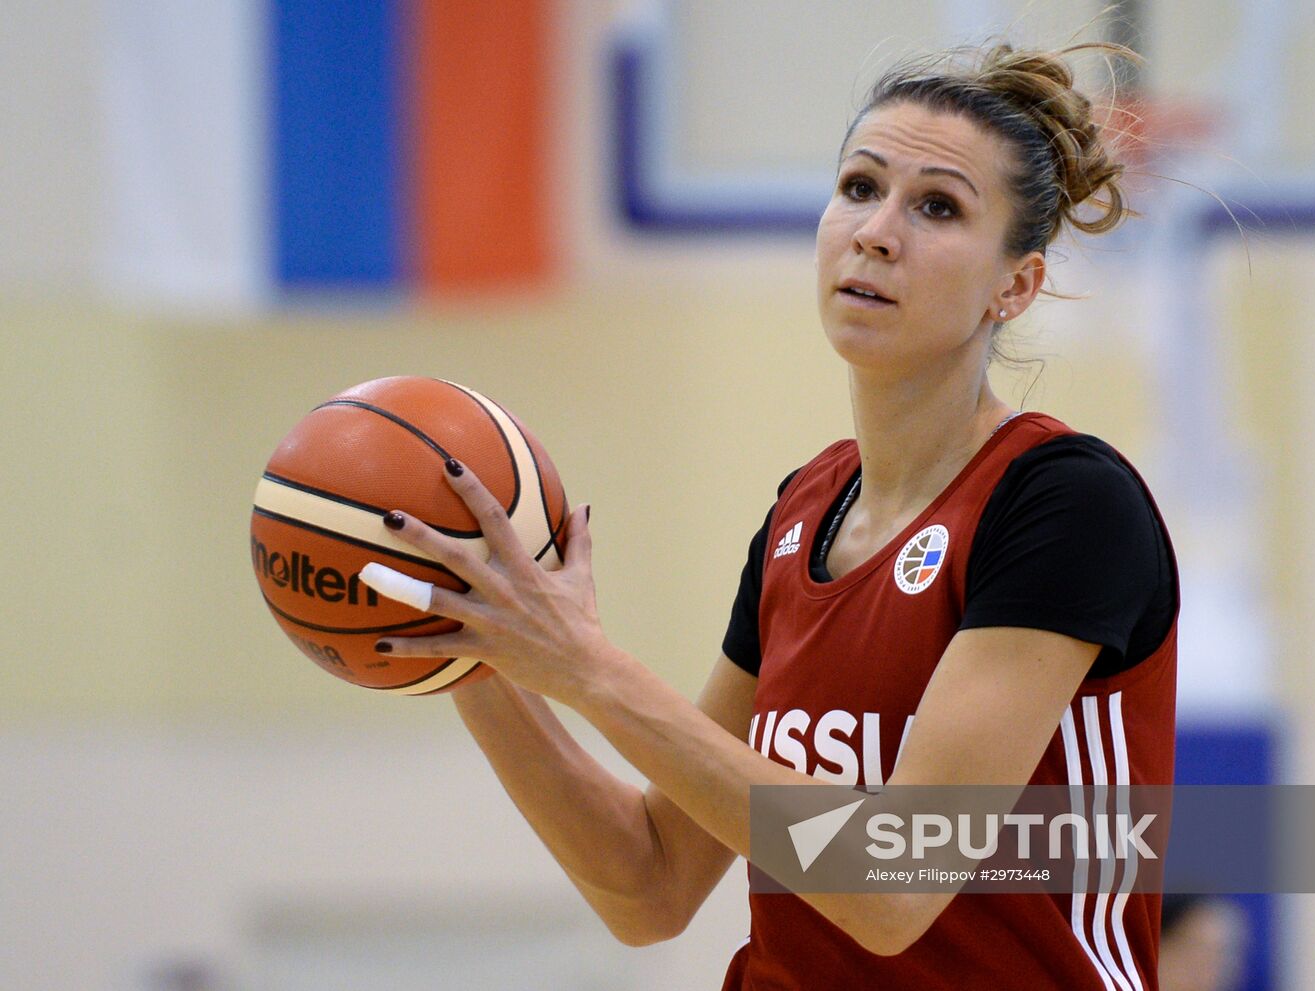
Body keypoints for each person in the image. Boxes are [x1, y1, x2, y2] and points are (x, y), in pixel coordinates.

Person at [367, 40, 1179, 990]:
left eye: (937, 206)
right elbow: (652, 883)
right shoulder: (805, 510)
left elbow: (894, 880)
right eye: (859, 185)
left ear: (1017, 284)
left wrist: (589, 668)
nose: (876, 230)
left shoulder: (1065, 500)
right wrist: (469, 642)